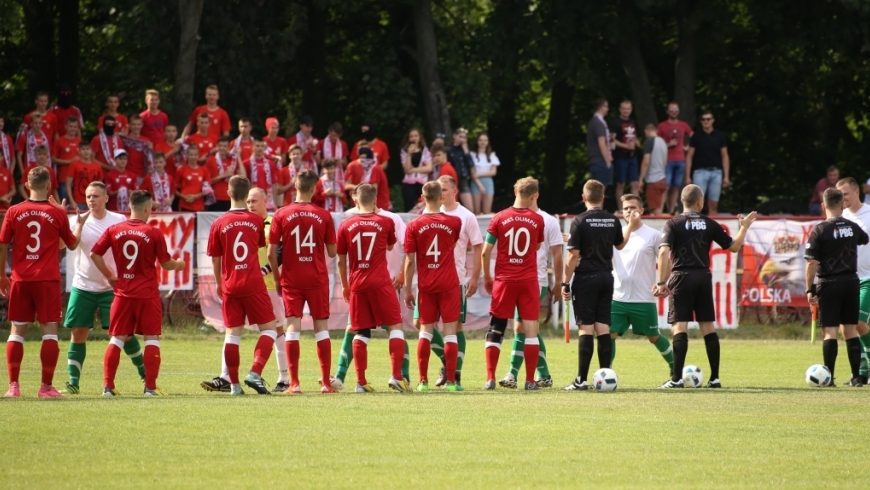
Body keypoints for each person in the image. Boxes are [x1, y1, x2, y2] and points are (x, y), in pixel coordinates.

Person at [654, 184, 756, 389]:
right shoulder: (710, 223)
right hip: (703, 276)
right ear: (700, 202)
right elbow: (734, 247)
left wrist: (661, 282)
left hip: (681, 276)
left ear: (683, 201)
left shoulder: (673, 224)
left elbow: (664, 253)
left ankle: (676, 379)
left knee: (679, 326)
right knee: (708, 326)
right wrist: (744, 227)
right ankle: (715, 378)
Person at [91, 190, 185, 396]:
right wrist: (179, 265)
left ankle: (108, 387)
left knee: (116, 339)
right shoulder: (153, 232)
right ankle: (150, 388)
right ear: (146, 208)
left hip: (123, 293)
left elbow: (94, 254)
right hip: (147, 294)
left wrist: (109, 275)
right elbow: (166, 263)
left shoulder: (114, 229)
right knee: (151, 339)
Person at [200, 187, 291, 393]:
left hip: (264, 284)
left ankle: (283, 377)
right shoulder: (253, 222)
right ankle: (227, 377)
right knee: (248, 331)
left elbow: (280, 250)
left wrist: (267, 270)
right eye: (248, 201)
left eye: (254, 201)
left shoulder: (270, 223)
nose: (251, 205)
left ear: (265, 201)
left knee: (275, 330)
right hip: (252, 284)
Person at [1, 167, 82, 398]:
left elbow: (2, 244)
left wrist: (1, 275)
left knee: (17, 331)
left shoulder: (14, 211)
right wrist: (78, 222)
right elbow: (72, 244)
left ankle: (13, 387)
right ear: (49, 187)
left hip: (21, 278)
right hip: (46, 279)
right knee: (49, 332)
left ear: (26, 185)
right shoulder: (57, 213)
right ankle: (45, 387)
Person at [61, 182, 146, 394]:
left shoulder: (118, 220)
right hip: (83, 286)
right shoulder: (77, 220)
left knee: (124, 335)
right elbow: (64, 246)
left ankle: (147, 377)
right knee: (78, 333)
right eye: (88, 196)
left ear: (106, 198)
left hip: (112, 287)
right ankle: (73, 383)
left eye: (96, 196)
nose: (91, 200)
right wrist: (64, 222)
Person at [561, 180, 639, 391]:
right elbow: (620, 245)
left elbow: (573, 255)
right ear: (602, 197)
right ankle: (606, 376)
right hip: (606, 277)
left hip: (586, 277)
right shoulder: (612, 219)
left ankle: (581, 380)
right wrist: (629, 227)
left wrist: (564, 282)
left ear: (584, 197)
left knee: (586, 328)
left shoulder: (579, 220)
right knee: (602, 327)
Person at [268, 170, 338, 394]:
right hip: (316, 277)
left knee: (292, 327)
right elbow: (332, 251)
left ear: (294, 187)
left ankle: (294, 384)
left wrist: (278, 280)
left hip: (292, 277)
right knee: (321, 328)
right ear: (314, 188)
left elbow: (271, 253)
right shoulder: (324, 215)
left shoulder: (281, 214)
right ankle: (326, 384)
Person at [336, 184, 410, 393]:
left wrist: (345, 285)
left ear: (355, 200)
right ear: (376, 200)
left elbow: (341, 261)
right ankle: (396, 376)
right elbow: (389, 246)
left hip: (358, 283)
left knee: (360, 331)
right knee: (395, 326)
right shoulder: (386, 221)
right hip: (380, 281)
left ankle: (360, 382)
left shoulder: (345, 225)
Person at [481, 177, 545, 390]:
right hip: (527, 281)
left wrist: (488, 277)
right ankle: (528, 381)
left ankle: (490, 378)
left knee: (496, 328)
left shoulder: (499, 218)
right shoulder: (537, 220)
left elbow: (485, 251)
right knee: (530, 330)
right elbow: (536, 247)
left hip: (504, 281)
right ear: (534, 195)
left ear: (515, 190)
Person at [498, 189, 562, 389]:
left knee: (521, 327)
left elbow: (557, 254)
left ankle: (512, 374)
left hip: (537, 281)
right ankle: (543, 374)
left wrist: (558, 283)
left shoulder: (548, 220)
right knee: (527, 328)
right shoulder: (510, 217)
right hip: (515, 280)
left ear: (536, 195)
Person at [403, 181, 463, 391]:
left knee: (425, 332)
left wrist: (408, 288)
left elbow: (410, 260)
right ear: (440, 196)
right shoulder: (454, 222)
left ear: (422, 196)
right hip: (449, 283)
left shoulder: (414, 225)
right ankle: (453, 383)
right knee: (450, 333)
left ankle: (423, 382)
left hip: (426, 284)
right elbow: (451, 244)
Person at [805, 187, 869, 386]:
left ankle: (829, 378)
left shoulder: (820, 229)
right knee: (850, 330)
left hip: (829, 283)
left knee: (830, 331)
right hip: (851, 282)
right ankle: (857, 377)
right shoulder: (851, 226)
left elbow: (811, 262)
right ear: (842, 205)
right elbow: (864, 239)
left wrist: (810, 290)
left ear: (823, 205)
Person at [608, 194, 674, 375]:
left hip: (643, 297)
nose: (629, 211)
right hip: (617, 296)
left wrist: (662, 282)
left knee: (653, 337)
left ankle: (675, 366)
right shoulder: (616, 233)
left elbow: (667, 261)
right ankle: (606, 372)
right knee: (609, 335)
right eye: (626, 208)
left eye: (633, 208)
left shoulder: (653, 235)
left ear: (642, 211)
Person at [837, 177, 870, 384]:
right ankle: (861, 373)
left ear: (857, 192)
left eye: (846, 194)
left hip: (868, 278)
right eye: (840, 195)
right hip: (847, 279)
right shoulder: (841, 218)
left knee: (858, 322)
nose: (843, 198)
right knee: (846, 327)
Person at [685, 110, 730, 215]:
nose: (706, 121)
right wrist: (687, 176)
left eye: (708, 119)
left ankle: (712, 228)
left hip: (716, 172)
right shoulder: (696, 136)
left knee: (713, 203)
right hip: (699, 172)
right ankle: (695, 227)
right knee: (697, 202)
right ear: (701, 121)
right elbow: (689, 156)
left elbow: (725, 155)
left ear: (713, 120)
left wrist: (726, 176)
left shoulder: (719, 135)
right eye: (703, 119)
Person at [657, 102, 694, 214]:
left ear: (678, 112)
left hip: (680, 159)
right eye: (671, 110)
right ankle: (660, 210)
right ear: (667, 112)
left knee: (675, 187)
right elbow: (657, 142)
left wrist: (688, 147)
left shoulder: (683, 125)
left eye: (676, 110)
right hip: (667, 160)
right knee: (666, 187)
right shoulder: (662, 126)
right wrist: (668, 144)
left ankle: (671, 211)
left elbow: (694, 136)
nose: (674, 112)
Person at [609, 101, 641, 212]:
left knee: (635, 183)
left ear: (631, 109)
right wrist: (626, 146)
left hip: (632, 156)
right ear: (620, 109)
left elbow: (635, 136)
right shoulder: (615, 122)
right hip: (620, 156)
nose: (626, 111)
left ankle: (636, 208)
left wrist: (636, 142)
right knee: (621, 183)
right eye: (624, 109)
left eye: (628, 109)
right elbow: (612, 140)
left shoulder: (632, 121)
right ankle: (621, 209)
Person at [400, 128, 433, 212]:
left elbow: (429, 168)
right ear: (408, 138)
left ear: (419, 137)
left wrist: (414, 170)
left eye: (416, 136)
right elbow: (407, 169)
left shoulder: (425, 151)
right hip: (409, 182)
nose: (414, 138)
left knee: (424, 206)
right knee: (409, 207)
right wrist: (409, 154)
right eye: (411, 136)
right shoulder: (404, 151)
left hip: (422, 183)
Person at [639, 124, 668, 216]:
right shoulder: (663, 142)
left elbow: (646, 161)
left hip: (653, 179)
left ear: (646, 131)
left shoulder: (649, 142)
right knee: (660, 208)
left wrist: (641, 179)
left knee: (655, 211)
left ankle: (660, 230)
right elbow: (666, 161)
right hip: (662, 178)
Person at [66, 141, 104, 211]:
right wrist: (72, 201)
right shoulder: (74, 165)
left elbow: (101, 186)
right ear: (79, 151)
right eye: (83, 149)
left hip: (94, 200)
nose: (86, 151)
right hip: (78, 201)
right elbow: (68, 184)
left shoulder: (97, 166)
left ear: (91, 151)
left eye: (88, 149)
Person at [51, 116, 81, 202]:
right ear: (66, 127)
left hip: (78, 178)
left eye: (75, 127)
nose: (73, 129)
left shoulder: (79, 141)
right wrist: (70, 161)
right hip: (64, 177)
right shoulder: (59, 141)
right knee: (65, 202)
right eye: (71, 126)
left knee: (77, 203)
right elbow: (53, 159)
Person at [243, 140, 279, 210]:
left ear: (264, 148)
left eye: (262, 146)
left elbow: (274, 184)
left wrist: (274, 203)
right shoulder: (246, 163)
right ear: (252, 147)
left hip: (267, 200)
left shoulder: (270, 163)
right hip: (252, 200)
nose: (260, 148)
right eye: (257, 146)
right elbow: (244, 185)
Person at [205, 136, 237, 211]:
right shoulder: (211, 160)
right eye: (220, 146)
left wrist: (238, 157)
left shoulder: (232, 160)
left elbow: (242, 175)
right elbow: (208, 181)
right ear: (217, 146)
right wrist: (223, 175)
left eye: (225, 146)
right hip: (216, 198)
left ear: (229, 147)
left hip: (230, 197)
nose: (222, 148)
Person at [445, 128, 475, 210]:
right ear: (455, 136)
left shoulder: (464, 150)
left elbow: (471, 164)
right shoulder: (448, 150)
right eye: (460, 136)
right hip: (452, 180)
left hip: (463, 179)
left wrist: (465, 149)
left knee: (470, 208)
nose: (462, 139)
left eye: (464, 137)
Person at [587, 98, 613, 190]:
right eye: (606, 106)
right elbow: (602, 143)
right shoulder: (598, 123)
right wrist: (607, 162)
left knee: (596, 191)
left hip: (595, 160)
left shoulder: (594, 121)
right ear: (601, 107)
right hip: (600, 160)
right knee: (600, 191)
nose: (608, 109)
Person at [470, 132, 499, 215]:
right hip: (476, 183)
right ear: (477, 141)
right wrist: (480, 186)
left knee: (487, 211)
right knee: (476, 212)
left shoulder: (492, 155)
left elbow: (493, 172)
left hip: (488, 182)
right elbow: (472, 173)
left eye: (485, 140)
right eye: (480, 140)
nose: (482, 142)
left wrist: (479, 174)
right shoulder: (472, 155)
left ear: (488, 142)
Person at [175, 145, 210, 212]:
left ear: (198, 155)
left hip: (199, 206)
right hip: (184, 205)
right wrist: (183, 197)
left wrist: (195, 197)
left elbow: (208, 189)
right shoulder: (181, 170)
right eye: (191, 155)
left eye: (195, 155)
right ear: (187, 155)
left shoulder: (204, 170)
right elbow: (173, 189)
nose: (193, 157)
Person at [16, 111, 50, 175]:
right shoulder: (25, 137)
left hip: (43, 170)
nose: (38, 125)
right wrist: (22, 172)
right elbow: (19, 156)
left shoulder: (46, 137)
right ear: (31, 124)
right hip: (29, 170)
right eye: (36, 123)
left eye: (40, 123)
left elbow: (48, 154)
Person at [123, 114, 154, 179]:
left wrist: (151, 149)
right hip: (126, 173)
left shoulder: (146, 140)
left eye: (138, 124)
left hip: (141, 174)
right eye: (134, 124)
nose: (136, 127)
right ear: (130, 125)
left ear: (142, 125)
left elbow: (151, 159)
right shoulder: (124, 139)